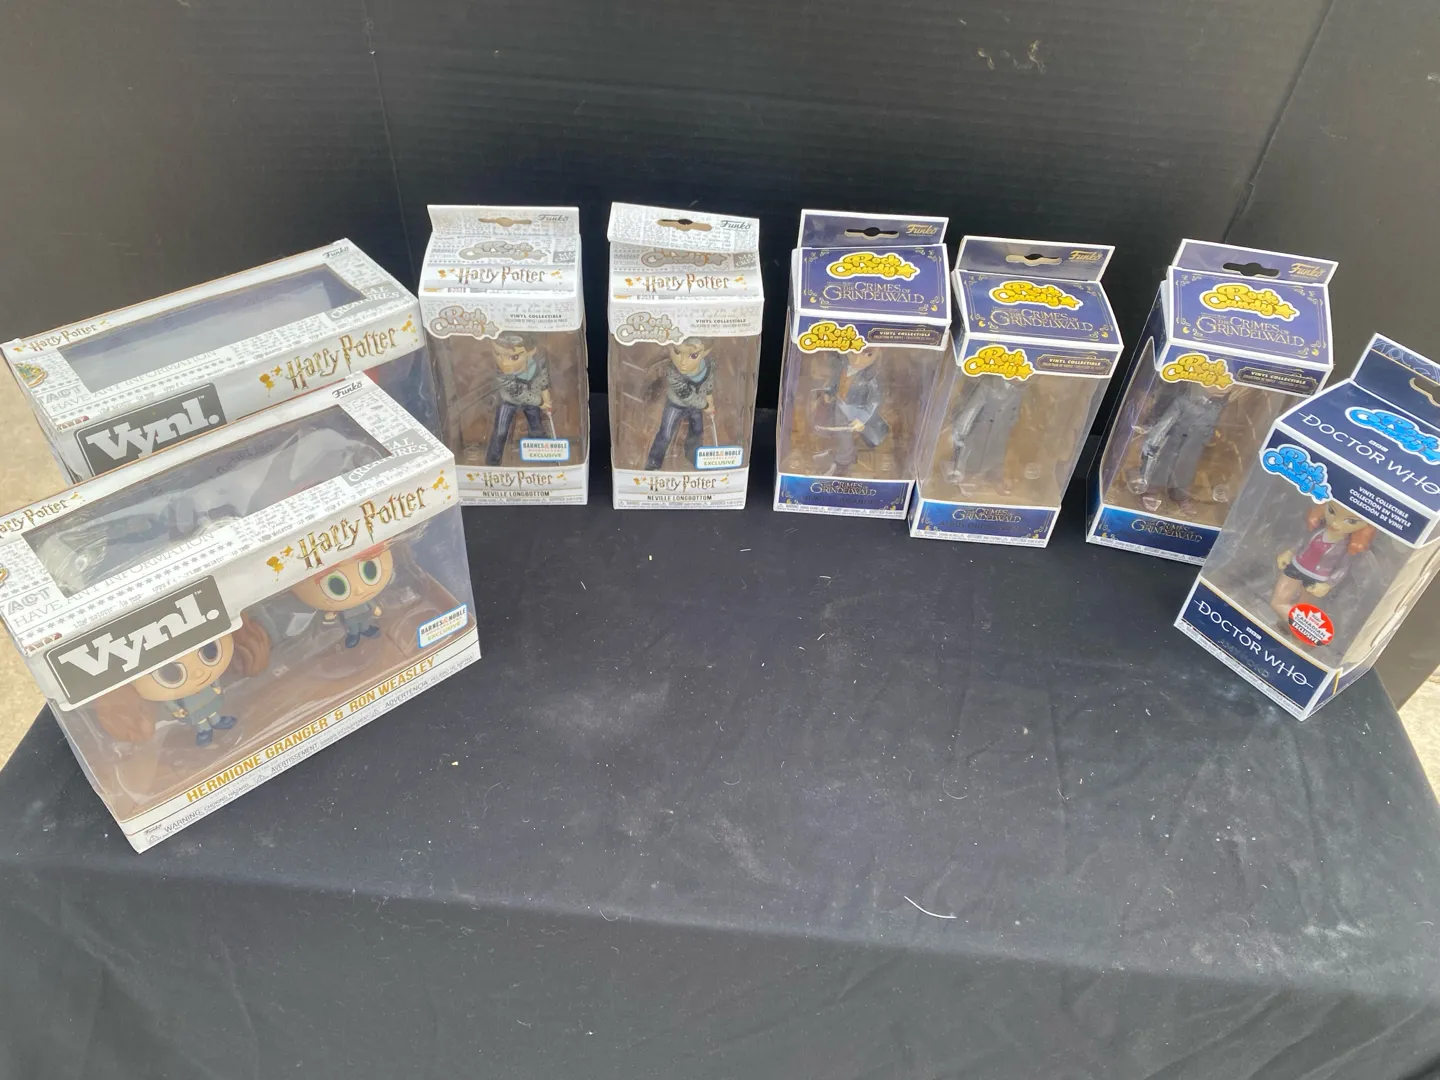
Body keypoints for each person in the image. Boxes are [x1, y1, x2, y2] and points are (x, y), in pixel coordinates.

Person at [645, 339, 715, 471]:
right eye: (677, 352)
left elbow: (709, 381)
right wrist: (706, 406)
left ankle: (693, 456)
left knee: (697, 431)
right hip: (675, 405)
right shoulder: (673, 372)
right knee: (665, 434)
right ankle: (653, 464)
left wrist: (709, 396)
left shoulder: (708, 365)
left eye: (693, 355)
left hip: (697, 406)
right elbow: (685, 394)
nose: (683, 362)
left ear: (706, 352)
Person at [485, 332, 552, 466]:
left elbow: (543, 375)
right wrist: (540, 402)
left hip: (533, 399)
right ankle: (492, 463)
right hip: (508, 401)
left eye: (514, 357)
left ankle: (542, 459)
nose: (503, 363)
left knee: (537, 428)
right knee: (500, 432)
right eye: (497, 354)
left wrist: (545, 392)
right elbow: (517, 392)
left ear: (531, 352)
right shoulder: (501, 374)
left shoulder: (539, 360)